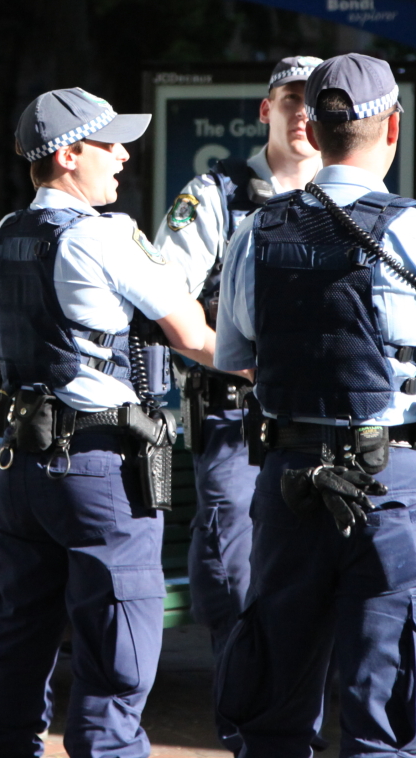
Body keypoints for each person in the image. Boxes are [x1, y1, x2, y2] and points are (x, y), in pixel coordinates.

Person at [214, 53, 416, 758]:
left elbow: (238, 357)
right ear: (394, 127)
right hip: (395, 490)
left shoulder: (256, 231)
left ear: (312, 132)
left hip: (288, 484)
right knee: (389, 716)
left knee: (275, 712)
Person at [0, 87, 221, 758]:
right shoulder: (105, 236)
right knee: (116, 662)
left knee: (16, 650)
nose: (124, 155)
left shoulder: (5, 234)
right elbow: (195, 335)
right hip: (100, 468)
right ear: (68, 152)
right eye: (108, 143)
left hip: (22, 466)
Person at [154, 53, 322, 747]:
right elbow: (166, 298)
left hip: (325, 427)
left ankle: (294, 728)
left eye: (319, 100)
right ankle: (244, 729)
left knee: (316, 584)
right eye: (292, 98)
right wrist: (240, 359)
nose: (305, 113)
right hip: (238, 424)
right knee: (233, 574)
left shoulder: (356, 196)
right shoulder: (217, 194)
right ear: (267, 109)